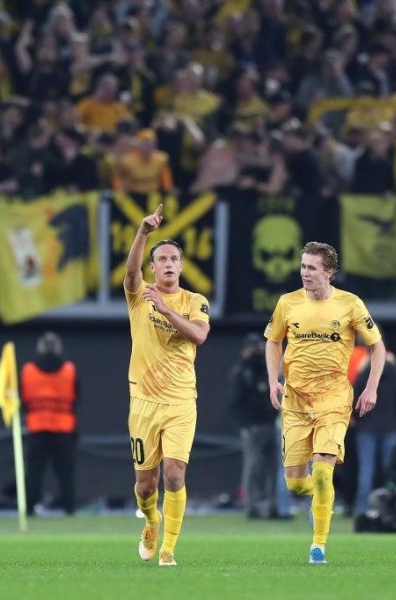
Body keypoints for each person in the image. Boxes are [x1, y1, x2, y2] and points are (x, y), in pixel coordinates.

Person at [264, 241, 386, 565]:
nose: (305, 273)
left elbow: (378, 347)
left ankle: (318, 545)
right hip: (295, 399)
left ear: (329, 272)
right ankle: (323, 499)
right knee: (294, 483)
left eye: (312, 268)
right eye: (303, 267)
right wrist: (273, 379)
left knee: (322, 469)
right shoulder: (287, 303)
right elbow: (273, 341)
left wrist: (370, 388)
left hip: (333, 396)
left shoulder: (350, 304)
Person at [124, 203, 211, 567]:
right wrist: (143, 232)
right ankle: (150, 520)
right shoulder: (139, 294)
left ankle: (169, 549)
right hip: (143, 401)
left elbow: (199, 336)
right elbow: (129, 273)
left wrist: (167, 309)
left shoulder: (194, 301)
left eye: (175, 258)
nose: (170, 264)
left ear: (182, 265)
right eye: (163, 259)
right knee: (147, 486)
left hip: (180, 402)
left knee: (175, 474)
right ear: (153, 266)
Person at [228, 332, 287, 520]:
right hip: (253, 429)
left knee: (272, 467)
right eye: (253, 349)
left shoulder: (266, 372)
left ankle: (271, 505)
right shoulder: (240, 373)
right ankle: (252, 505)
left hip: (270, 425)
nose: (257, 353)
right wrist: (247, 424)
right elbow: (234, 404)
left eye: (259, 349)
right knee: (254, 466)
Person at [21, 331, 78, 516]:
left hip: (37, 428)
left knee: (34, 473)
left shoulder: (28, 371)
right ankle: (69, 508)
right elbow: (76, 398)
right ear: (59, 349)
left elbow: (22, 399)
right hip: (63, 429)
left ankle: (30, 508)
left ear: (39, 349)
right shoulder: (69, 370)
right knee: (65, 473)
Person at [353, 350, 396, 516]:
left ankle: (363, 510)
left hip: (368, 429)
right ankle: (389, 509)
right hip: (391, 427)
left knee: (366, 471)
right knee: (390, 472)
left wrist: (360, 421)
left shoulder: (364, 373)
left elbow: (353, 400)